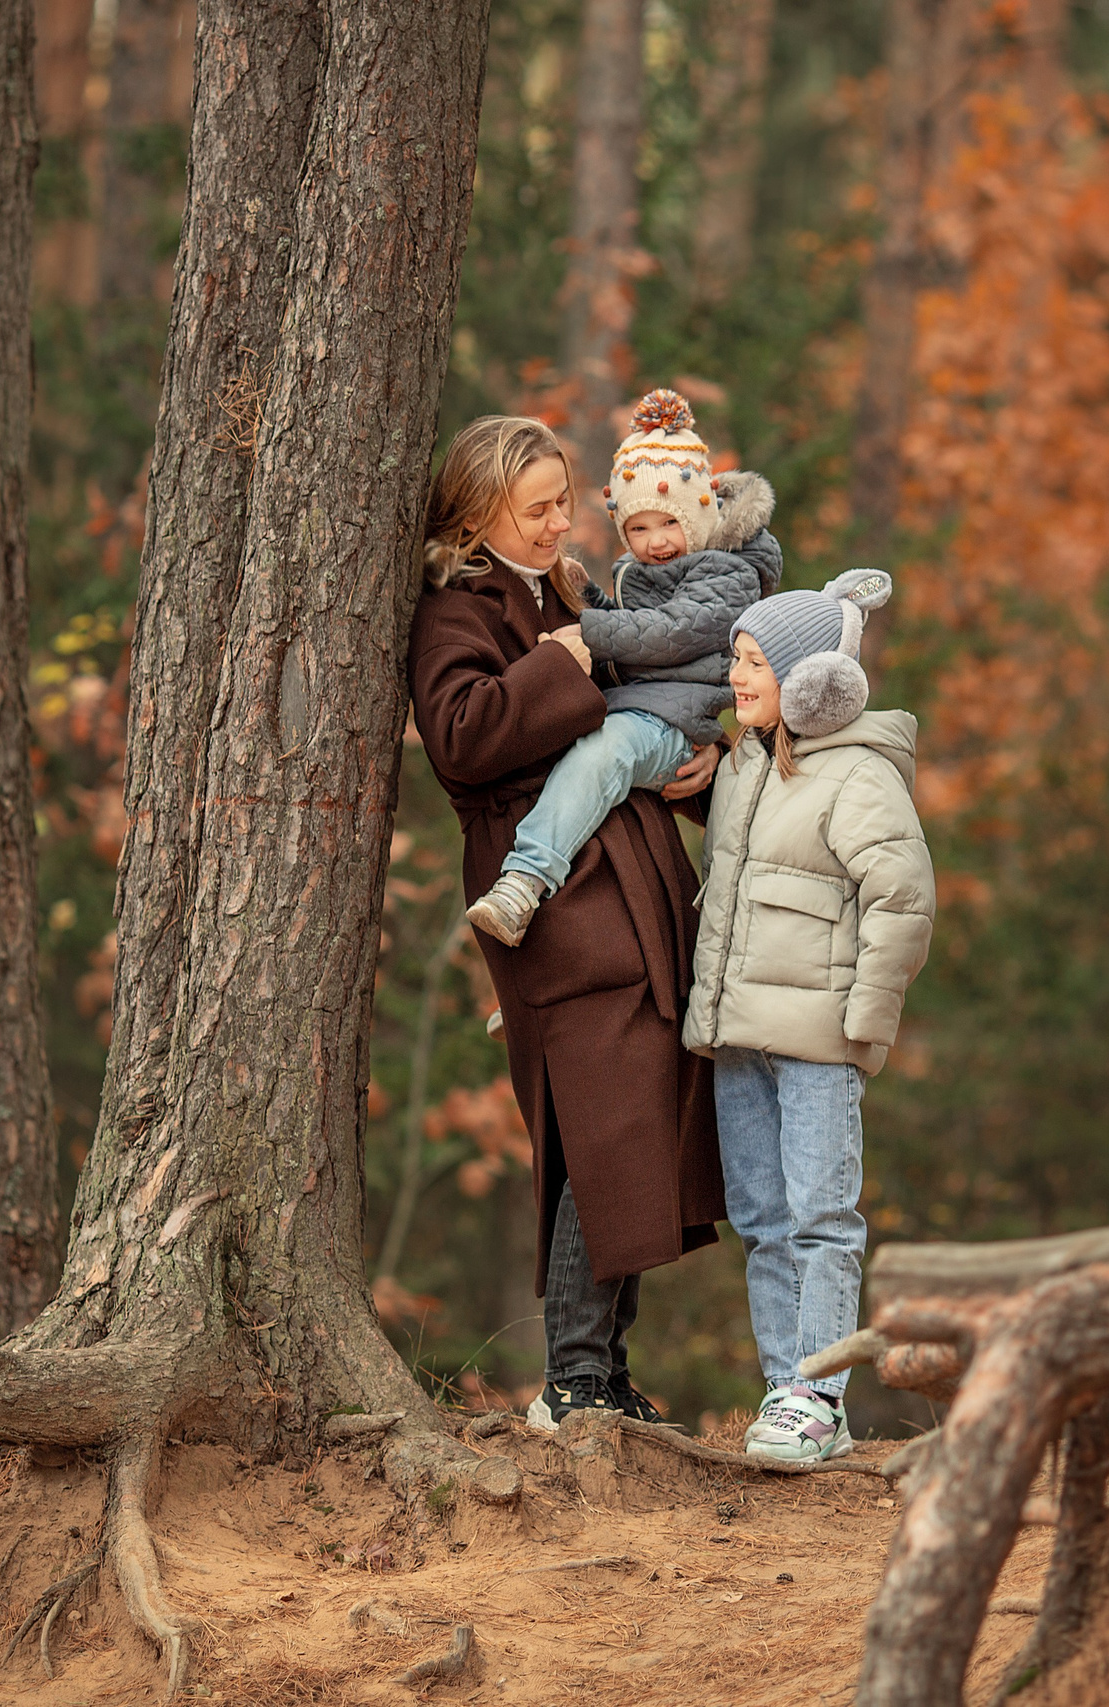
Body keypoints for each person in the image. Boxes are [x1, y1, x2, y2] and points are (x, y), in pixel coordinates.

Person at [407, 414, 727, 1427]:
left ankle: (602, 1373)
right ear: (477, 513)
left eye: (561, 500)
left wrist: (695, 770)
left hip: (637, 889)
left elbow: (642, 720)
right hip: (559, 908)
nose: (560, 522)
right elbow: (460, 737)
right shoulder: (454, 609)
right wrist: (568, 662)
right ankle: (573, 1378)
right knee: (601, 1130)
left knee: (641, 1130)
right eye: (536, 507)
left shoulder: (576, 591)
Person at [681, 574, 937, 1463]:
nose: (735, 674)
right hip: (741, 1035)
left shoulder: (859, 774)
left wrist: (865, 1021)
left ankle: (818, 1394)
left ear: (807, 680)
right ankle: (783, 1386)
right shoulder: (749, 761)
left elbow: (903, 898)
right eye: (736, 657)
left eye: (752, 661)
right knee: (760, 1218)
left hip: (819, 1040)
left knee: (822, 1216)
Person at [465, 388, 781, 947]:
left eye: (669, 524)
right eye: (638, 529)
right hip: (643, 715)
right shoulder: (636, 572)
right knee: (582, 779)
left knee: (601, 753)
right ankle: (533, 967)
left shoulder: (727, 574)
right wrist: (589, 595)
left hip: (670, 726)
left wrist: (589, 629)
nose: (655, 543)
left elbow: (671, 633)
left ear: (701, 514)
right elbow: (631, 638)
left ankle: (525, 880)